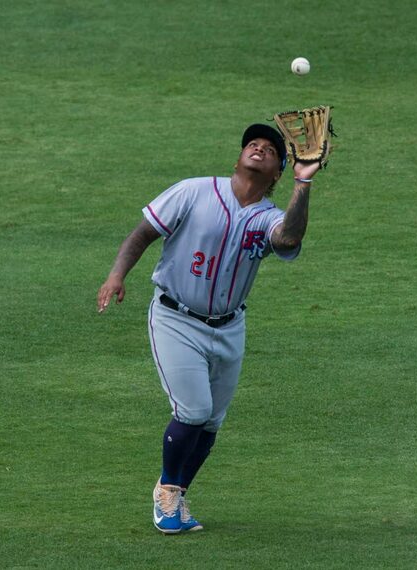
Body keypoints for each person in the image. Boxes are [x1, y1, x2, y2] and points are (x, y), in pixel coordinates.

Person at [97, 123, 321, 534]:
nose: (259, 147)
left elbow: (288, 239)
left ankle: (178, 494)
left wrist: (303, 184)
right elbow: (142, 234)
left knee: (212, 423)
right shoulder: (193, 191)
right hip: (175, 317)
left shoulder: (268, 217)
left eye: (270, 149)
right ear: (237, 158)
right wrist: (116, 275)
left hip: (230, 327)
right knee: (194, 411)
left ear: (276, 173)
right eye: (252, 143)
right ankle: (166, 490)